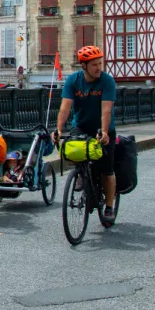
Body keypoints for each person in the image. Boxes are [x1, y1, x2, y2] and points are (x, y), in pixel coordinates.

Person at [53, 45, 118, 224]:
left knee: (106, 170)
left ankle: (110, 206)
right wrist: (58, 129)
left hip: (103, 128)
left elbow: (106, 110)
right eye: (94, 65)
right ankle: (81, 173)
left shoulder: (107, 81)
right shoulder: (73, 80)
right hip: (81, 126)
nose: (98, 68)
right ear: (84, 66)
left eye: (100, 63)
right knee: (71, 148)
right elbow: (65, 107)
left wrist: (104, 132)